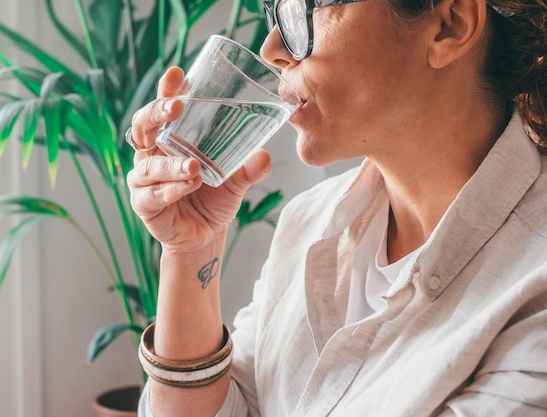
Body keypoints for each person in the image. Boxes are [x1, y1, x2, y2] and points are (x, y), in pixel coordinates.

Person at [126, 0, 547, 414]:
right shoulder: (307, 222)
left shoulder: (535, 288)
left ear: (449, 25)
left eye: (300, 10)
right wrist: (190, 252)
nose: (272, 49)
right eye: (274, 12)